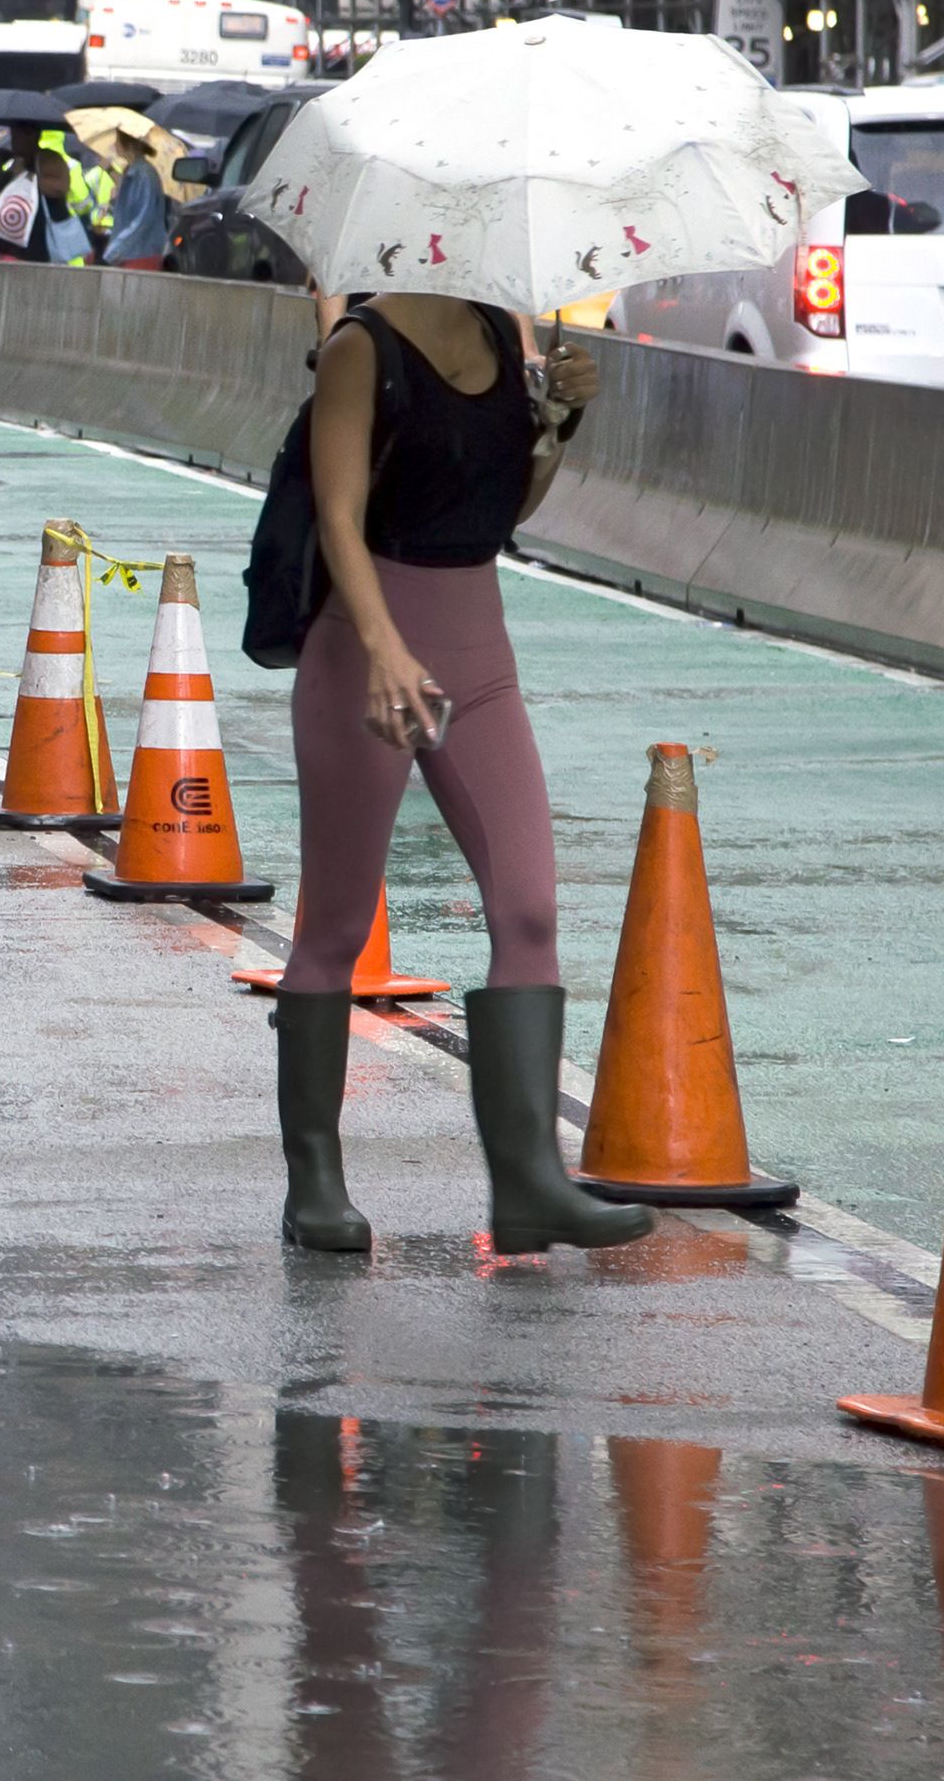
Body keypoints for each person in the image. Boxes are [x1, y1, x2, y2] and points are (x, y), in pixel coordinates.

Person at [275, 291, 631, 1260]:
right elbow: (342, 519)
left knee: (528, 909)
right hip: (365, 649)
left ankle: (527, 1181)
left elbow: (494, 510)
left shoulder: (498, 333)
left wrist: (558, 419)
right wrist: (384, 648)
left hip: (481, 656)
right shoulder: (362, 347)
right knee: (339, 926)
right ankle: (314, 1178)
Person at [0, 142, 92, 265]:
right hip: (40, 254)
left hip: (37, 252)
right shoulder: (58, 163)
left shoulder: (38, 175)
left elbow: (62, 188)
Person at [97, 121, 178, 270]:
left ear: (130, 145)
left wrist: (116, 248)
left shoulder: (144, 174)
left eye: (118, 141)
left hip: (141, 254)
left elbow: (143, 218)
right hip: (131, 253)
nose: (115, 145)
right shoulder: (134, 171)